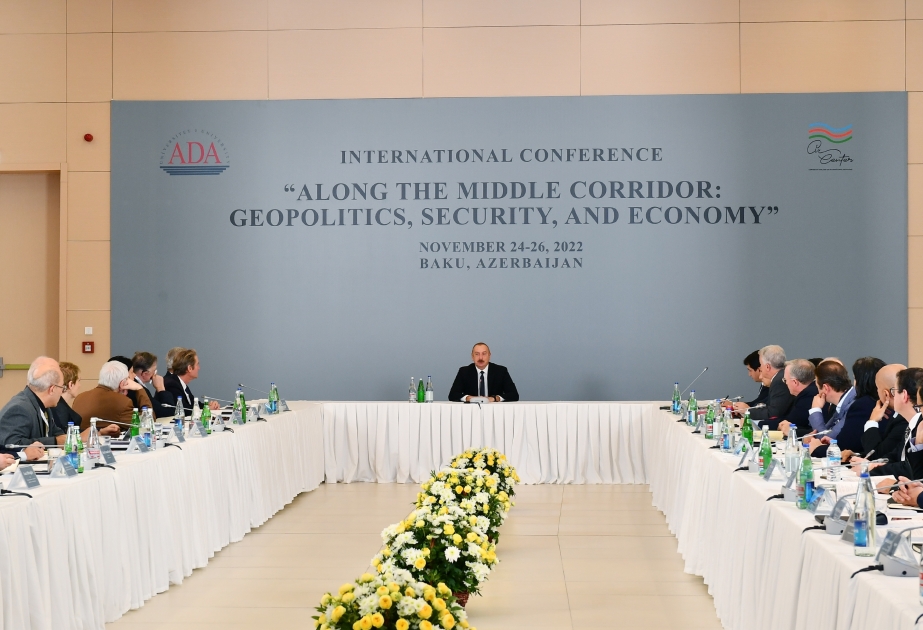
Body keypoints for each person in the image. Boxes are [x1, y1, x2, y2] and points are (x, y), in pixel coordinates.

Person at [0, 357, 113, 461]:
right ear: (52, 389)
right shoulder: (19, 408)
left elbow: (58, 434)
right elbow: (12, 445)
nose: (62, 391)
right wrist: (56, 441)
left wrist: (76, 437)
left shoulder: (43, 406)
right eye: (62, 387)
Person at [858, 367, 923, 487]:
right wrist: (872, 465)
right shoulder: (910, 423)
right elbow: (895, 455)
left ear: (904, 395)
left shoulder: (917, 425)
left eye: (894, 391)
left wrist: (869, 469)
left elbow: (910, 469)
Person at [809, 358, 881, 457]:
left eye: (855, 379)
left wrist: (815, 410)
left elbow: (824, 437)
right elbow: (828, 435)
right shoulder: (844, 400)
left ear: (825, 388)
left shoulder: (857, 403)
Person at [72, 360, 143, 432]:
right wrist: (140, 389)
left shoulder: (79, 397)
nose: (134, 376)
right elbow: (146, 424)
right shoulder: (122, 402)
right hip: (105, 442)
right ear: (123, 382)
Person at [855, 363, 907, 460]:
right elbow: (887, 450)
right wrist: (856, 455)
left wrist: (872, 422)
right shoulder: (897, 415)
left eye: (877, 388)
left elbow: (876, 457)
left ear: (886, 394)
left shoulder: (904, 419)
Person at [448, 343, 519, 403]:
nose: (480, 358)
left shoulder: (501, 371)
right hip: (471, 411)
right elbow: (452, 395)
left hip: (494, 410)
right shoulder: (464, 371)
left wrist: (494, 398)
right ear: (472, 357)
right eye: (477, 354)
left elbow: (514, 395)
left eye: (484, 354)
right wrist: (468, 398)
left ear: (489, 356)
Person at [744, 345, 794, 426]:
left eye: (760, 365)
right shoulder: (780, 376)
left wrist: (747, 411)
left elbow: (773, 413)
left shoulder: (779, 381)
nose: (760, 368)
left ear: (767, 367)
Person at [163, 349, 221, 414]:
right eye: (197, 364)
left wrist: (208, 406)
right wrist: (206, 410)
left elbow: (194, 405)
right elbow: (184, 410)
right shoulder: (172, 384)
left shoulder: (180, 383)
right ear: (189, 368)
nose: (199, 368)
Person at [777, 359, 823, 436]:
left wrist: (762, 424)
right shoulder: (810, 390)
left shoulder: (808, 395)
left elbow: (792, 422)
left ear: (795, 382)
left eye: (785, 380)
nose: (786, 383)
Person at [132, 351, 174, 418]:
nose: (155, 374)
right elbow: (168, 412)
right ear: (145, 374)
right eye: (154, 371)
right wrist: (161, 389)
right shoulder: (138, 389)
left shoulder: (134, 384)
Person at [51, 361, 83, 434]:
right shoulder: (60, 410)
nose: (79, 385)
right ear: (71, 384)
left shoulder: (56, 406)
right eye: (79, 381)